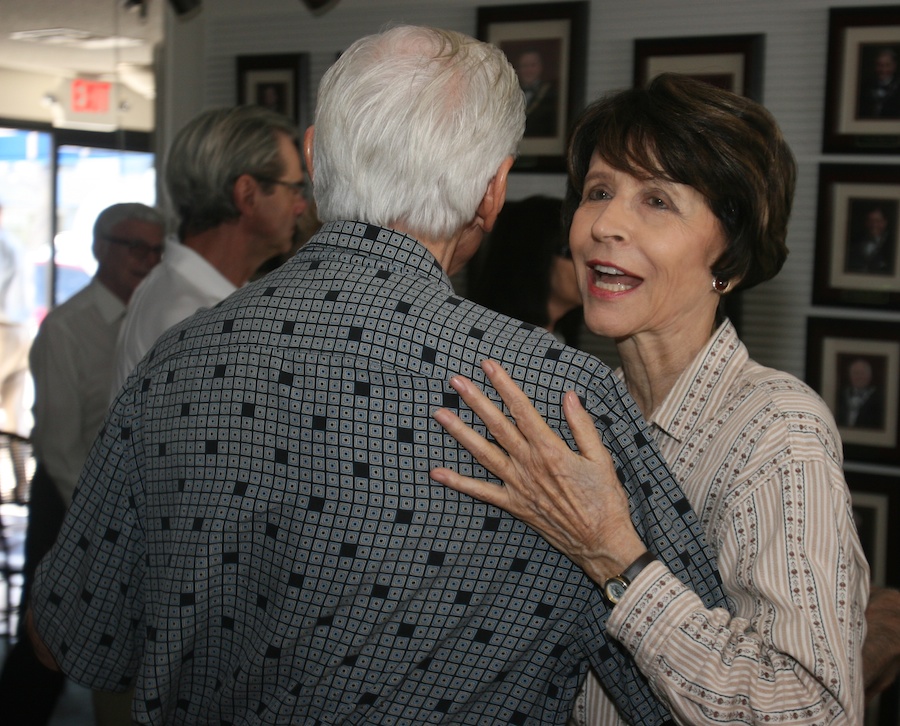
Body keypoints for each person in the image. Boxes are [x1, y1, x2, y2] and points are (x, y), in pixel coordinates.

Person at [27, 27, 728, 725]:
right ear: (493, 191)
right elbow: (695, 688)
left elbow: (74, 642)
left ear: (312, 154)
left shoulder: (177, 360)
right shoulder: (559, 402)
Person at [431, 73, 869, 724]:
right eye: (598, 191)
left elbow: (809, 709)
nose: (605, 223)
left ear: (732, 259)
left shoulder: (775, 429)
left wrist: (614, 554)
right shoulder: (580, 407)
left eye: (657, 201)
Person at [0, 203, 163, 726]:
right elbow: (58, 444)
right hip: (70, 498)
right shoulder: (68, 328)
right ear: (100, 248)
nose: (146, 259)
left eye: (156, 249)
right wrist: (99, 515)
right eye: (134, 246)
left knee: (121, 635)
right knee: (48, 633)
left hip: (131, 501)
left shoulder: (162, 313)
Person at [112, 105, 308, 391]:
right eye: (293, 189)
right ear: (247, 194)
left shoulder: (196, 293)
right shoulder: (187, 314)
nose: (301, 206)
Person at [467, 195, 583, 346]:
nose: (588, 264)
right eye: (571, 252)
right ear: (535, 256)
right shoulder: (492, 341)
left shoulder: (558, 340)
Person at [0, 201, 34, 503]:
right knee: (14, 415)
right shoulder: (13, 244)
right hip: (20, 329)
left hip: (2, 329)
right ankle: (22, 484)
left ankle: (22, 484)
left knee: (13, 416)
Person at [515, 48, 558, 137]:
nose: (529, 70)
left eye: (533, 65)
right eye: (525, 66)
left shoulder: (551, 94)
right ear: (518, 69)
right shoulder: (511, 94)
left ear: (540, 67)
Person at [837, 356, 884, 429]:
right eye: (856, 373)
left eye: (862, 373)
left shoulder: (879, 398)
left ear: (869, 376)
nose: (859, 377)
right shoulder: (840, 395)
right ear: (850, 375)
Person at [845, 205, 893, 274]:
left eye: (878, 221)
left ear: (885, 222)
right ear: (866, 222)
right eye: (870, 220)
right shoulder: (855, 242)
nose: (874, 225)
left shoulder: (893, 244)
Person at [858, 47, 900, 119]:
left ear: (894, 66)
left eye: (887, 65)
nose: (883, 70)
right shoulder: (864, 86)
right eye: (879, 65)